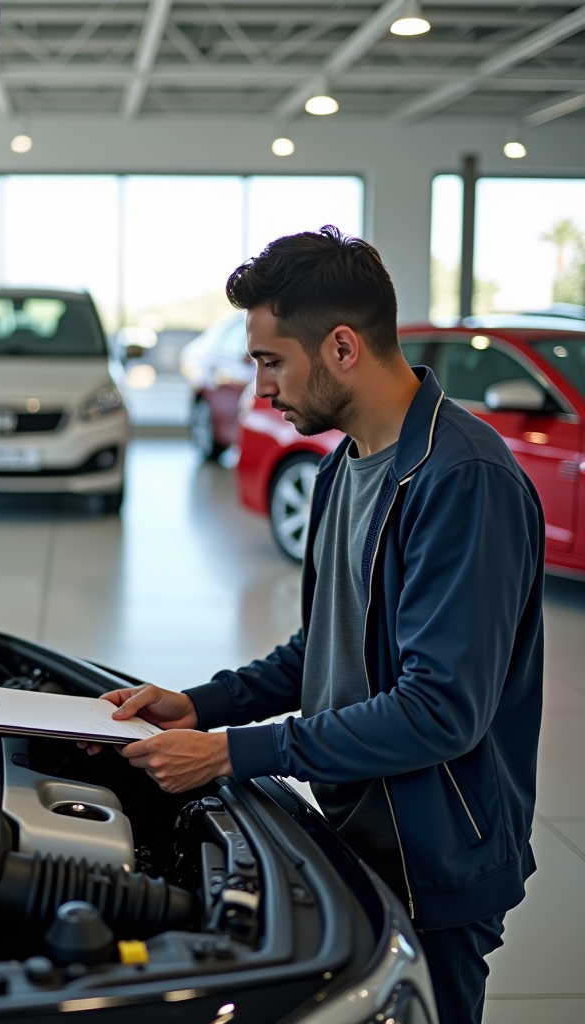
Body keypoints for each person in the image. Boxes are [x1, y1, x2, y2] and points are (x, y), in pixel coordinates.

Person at [85, 227, 545, 1024]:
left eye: (269, 360)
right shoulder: (344, 466)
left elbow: (440, 710)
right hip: (356, 835)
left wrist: (233, 753)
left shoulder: (462, 480)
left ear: (340, 346)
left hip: (434, 858)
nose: (258, 387)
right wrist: (199, 706)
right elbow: (324, 647)